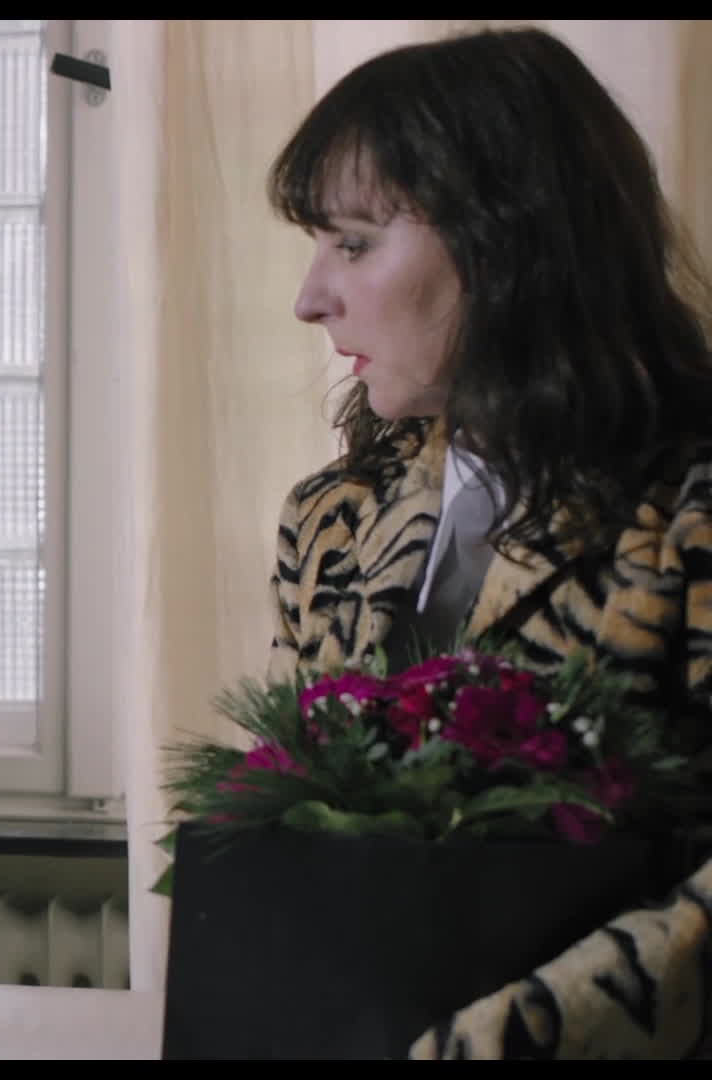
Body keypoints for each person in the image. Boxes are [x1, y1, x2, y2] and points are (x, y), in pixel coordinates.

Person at [262, 27, 712, 1059]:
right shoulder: (329, 520)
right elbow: (288, 824)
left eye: (354, 243)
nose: (310, 298)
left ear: (506, 240)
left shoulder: (689, 513)